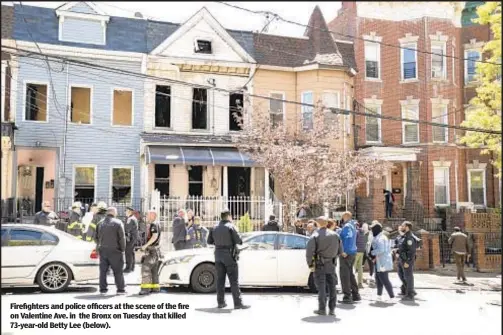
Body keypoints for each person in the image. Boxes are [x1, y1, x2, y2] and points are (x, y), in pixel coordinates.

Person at [207, 209, 249, 309]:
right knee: (233, 281)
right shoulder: (231, 226)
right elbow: (239, 241)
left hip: (217, 256)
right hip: (229, 256)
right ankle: (238, 303)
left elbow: (209, 241)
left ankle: (221, 303)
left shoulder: (214, 227)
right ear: (229, 216)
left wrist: (218, 243)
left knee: (220, 280)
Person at [306, 217, 342, 316]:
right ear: (326, 223)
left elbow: (309, 252)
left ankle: (322, 309)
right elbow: (340, 251)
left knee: (321, 288)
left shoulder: (315, 235)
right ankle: (332, 309)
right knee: (332, 287)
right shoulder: (335, 235)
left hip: (319, 265)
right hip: (331, 265)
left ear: (317, 224)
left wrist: (310, 264)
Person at [95, 207, 126, 295]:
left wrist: (99, 247)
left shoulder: (100, 223)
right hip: (115, 250)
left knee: (103, 271)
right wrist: (122, 249)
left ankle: (103, 289)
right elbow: (122, 238)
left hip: (103, 250)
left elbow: (96, 238)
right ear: (113, 213)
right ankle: (120, 289)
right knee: (118, 270)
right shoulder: (118, 223)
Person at [369, 221, 395, 302]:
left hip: (382, 262)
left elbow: (381, 249)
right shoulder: (379, 237)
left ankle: (392, 297)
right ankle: (379, 296)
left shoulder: (381, 238)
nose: (371, 231)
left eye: (372, 229)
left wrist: (372, 252)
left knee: (384, 280)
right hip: (379, 261)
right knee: (378, 279)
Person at [338, 211, 361, 303]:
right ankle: (355, 294)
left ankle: (347, 296)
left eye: (342, 216)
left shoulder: (347, 226)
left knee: (345, 275)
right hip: (352, 252)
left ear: (346, 216)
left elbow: (348, 237)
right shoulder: (353, 225)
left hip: (347, 253)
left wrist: (344, 251)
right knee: (350, 275)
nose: (341, 218)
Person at [139, 210, 162, 295]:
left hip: (151, 250)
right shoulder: (157, 224)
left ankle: (145, 289)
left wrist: (145, 246)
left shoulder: (154, 224)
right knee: (154, 270)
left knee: (146, 269)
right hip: (155, 250)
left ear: (152, 215)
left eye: (148, 215)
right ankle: (155, 288)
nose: (146, 216)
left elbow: (154, 236)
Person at [398, 221, 417, 300]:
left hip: (406, 260)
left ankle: (410, 294)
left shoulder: (409, 237)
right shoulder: (405, 236)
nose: (401, 227)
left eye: (402, 226)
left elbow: (411, 251)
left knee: (408, 277)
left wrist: (407, 262)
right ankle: (406, 289)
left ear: (407, 227)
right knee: (401, 275)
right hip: (402, 259)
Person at [124, 206, 139, 273]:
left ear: (129, 212)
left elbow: (127, 229)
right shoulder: (133, 218)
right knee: (131, 253)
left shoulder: (130, 219)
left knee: (128, 253)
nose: (125, 212)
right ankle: (132, 267)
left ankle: (128, 268)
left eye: (126, 211)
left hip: (130, 239)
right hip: (133, 238)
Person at [354, 222, 367, 288]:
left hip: (356, 251)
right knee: (360, 267)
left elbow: (354, 241)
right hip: (362, 251)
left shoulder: (356, 232)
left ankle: (353, 283)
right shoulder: (363, 233)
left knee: (353, 267)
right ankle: (360, 282)